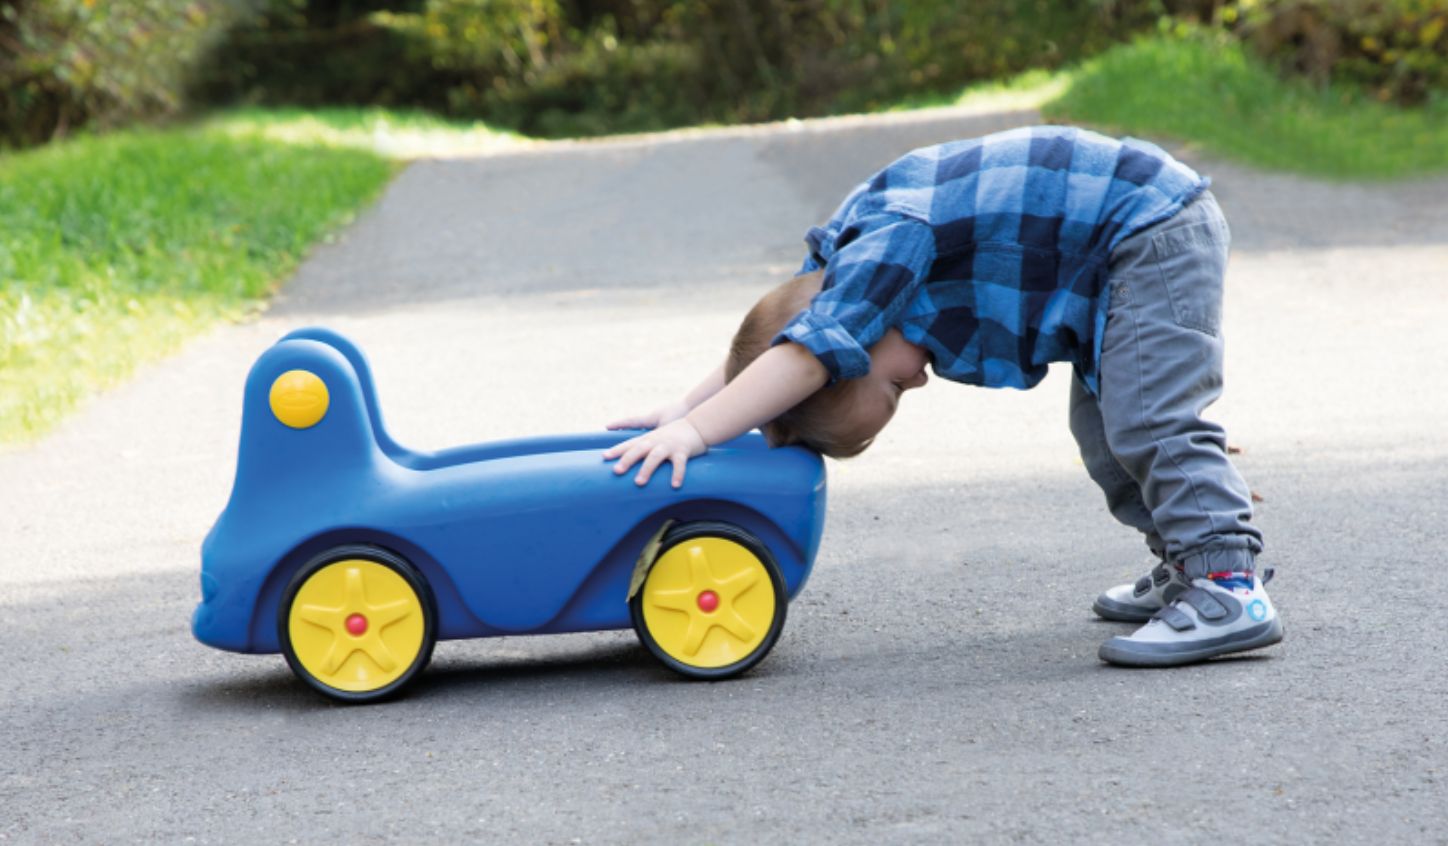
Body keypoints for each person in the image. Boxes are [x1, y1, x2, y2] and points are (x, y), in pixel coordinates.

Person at [603, 125, 1282, 667]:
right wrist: (686, 406)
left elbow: (805, 355)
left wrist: (695, 435)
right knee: (1103, 434)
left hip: (1149, 227)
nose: (922, 378)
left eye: (894, 387)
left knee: (1147, 423)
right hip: (1122, 245)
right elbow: (783, 341)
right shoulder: (846, 272)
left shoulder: (878, 259)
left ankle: (1227, 586)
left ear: (854, 345)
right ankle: (1188, 563)